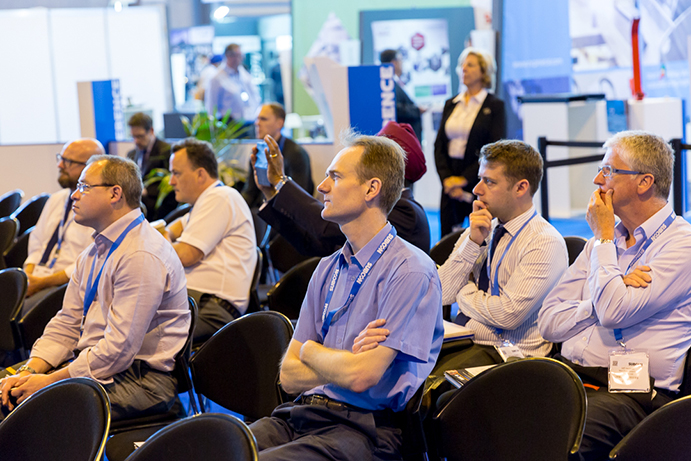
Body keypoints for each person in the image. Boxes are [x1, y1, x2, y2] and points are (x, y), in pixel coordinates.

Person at [248, 131, 444, 461]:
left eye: (335, 177)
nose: (322, 186)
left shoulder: (409, 269)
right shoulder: (327, 268)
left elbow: (361, 376)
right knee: (210, 448)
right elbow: (288, 376)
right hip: (300, 414)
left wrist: (310, 350)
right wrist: (346, 360)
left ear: (371, 189)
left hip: (363, 428)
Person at [538, 131, 691, 460]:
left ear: (644, 182)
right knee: (492, 416)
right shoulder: (600, 242)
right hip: (571, 374)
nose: (597, 180)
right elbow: (548, 323)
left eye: (608, 171)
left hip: (633, 393)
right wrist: (604, 295)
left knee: (549, 442)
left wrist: (605, 240)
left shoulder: (681, 245)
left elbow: (613, 314)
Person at [0, 155, 190, 421]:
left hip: (141, 380)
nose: (74, 195)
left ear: (115, 194)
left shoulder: (141, 254)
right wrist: (31, 371)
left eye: (84, 187)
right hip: (94, 365)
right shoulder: (95, 251)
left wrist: (48, 381)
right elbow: (67, 322)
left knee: (29, 412)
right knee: (7, 389)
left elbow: (118, 350)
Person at [435, 140, 568, 370]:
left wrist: (463, 291)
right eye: (480, 179)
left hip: (511, 360)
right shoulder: (482, 227)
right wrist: (473, 242)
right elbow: (443, 292)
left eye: (489, 182)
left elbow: (507, 316)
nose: (477, 189)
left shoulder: (544, 242)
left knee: (430, 386)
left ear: (520, 188)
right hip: (466, 344)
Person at [252, 121, 430, 255]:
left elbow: (325, 228)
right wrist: (272, 193)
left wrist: (281, 182)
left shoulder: (405, 211)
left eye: (336, 177)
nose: (322, 187)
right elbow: (314, 242)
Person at [165, 138, 257, 343]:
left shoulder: (220, 197)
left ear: (200, 174)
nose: (171, 181)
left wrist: (160, 239)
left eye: (176, 173)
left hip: (210, 308)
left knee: (134, 337)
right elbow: (171, 228)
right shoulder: (205, 202)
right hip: (198, 302)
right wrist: (164, 234)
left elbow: (185, 255)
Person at [21, 139, 104, 317]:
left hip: (65, 286)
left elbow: (89, 265)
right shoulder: (56, 199)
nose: (60, 165)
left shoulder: (100, 211)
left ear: (89, 168)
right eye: (61, 158)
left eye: (68, 161)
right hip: (38, 277)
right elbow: (37, 243)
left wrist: (42, 283)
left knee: (17, 313)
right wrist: (28, 277)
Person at [435, 47, 506, 237]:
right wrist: (447, 179)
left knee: (482, 237)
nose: (464, 69)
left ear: (484, 71)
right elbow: (439, 145)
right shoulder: (451, 103)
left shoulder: (495, 106)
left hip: (479, 177)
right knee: (447, 239)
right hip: (450, 180)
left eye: (470, 65)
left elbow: (494, 149)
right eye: (462, 65)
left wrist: (465, 180)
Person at [242, 103, 313, 209]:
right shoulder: (258, 152)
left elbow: (299, 199)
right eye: (257, 119)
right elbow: (250, 192)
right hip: (261, 209)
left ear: (280, 123)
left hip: (285, 212)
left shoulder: (296, 153)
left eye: (263, 119)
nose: (257, 123)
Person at [126, 112, 177, 220]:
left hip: (159, 209)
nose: (136, 141)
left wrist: (145, 191)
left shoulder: (166, 151)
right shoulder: (132, 154)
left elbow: (169, 184)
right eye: (133, 137)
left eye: (140, 136)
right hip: (138, 207)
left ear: (151, 131)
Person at [205, 43, 261, 122]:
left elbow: (254, 96)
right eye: (237, 55)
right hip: (229, 124)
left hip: (250, 120)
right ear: (228, 56)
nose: (240, 58)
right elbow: (211, 105)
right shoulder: (216, 78)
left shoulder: (245, 74)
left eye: (241, 55)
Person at [380, 49, 423, 142]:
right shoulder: (388, 87)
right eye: (400, 60)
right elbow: (396, 108)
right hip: (402, 140)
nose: (402, 63)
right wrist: (416, 110)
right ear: (394, 63)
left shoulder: (395, 83)